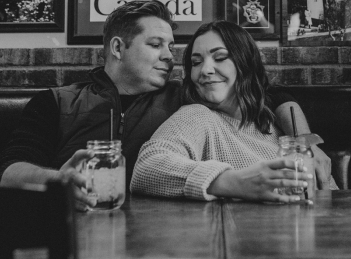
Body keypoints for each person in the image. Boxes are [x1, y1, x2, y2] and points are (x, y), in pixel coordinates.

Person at [0, 0, 331, 209]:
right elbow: (9, 169)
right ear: (117, 47)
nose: (170, 57)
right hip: (69, 222)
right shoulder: (58, 101)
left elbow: (267, 94)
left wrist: (304, 141)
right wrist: (58, 181)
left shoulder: (186, 94)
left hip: (155, 229)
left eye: (172, 47)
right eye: (156, 44)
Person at [131, 21, 338, 202]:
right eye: (196, 62)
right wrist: (233, 182)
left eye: (220, 57)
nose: (205, 70)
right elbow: (147, 167)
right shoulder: (197, 116)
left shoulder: (276, 123)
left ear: (245, 63)